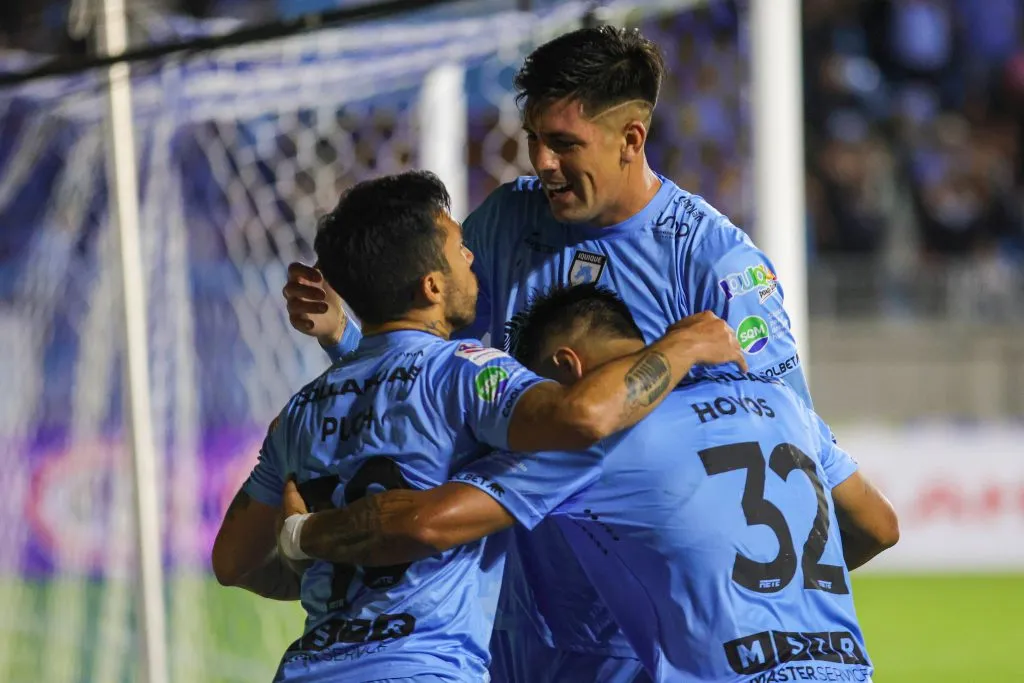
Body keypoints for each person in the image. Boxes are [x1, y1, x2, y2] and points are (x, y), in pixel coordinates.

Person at [283, 25, 812, 683]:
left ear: (631, 140)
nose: (541, 161)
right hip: (511, 619)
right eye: (533, 138)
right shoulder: (507, 222)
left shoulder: (714, 264)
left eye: (564, 144)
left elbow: (792, 458)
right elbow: (425, 375)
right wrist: (345, 336)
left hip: (645, 638)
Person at [212, 172, 746, 683]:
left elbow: (233, 561)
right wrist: (683, 344)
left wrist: (321, 556)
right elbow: (581, 417)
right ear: (431, 286)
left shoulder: (303, 407)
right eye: (458, 247)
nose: (472, 257)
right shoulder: (465, 370)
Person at [279, 283, 900, 683]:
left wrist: (303, 535)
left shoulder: (599, 442)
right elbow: (880, 527)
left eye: (536, 391)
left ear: (565, 369)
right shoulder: (779, 405)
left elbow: (424, 522)